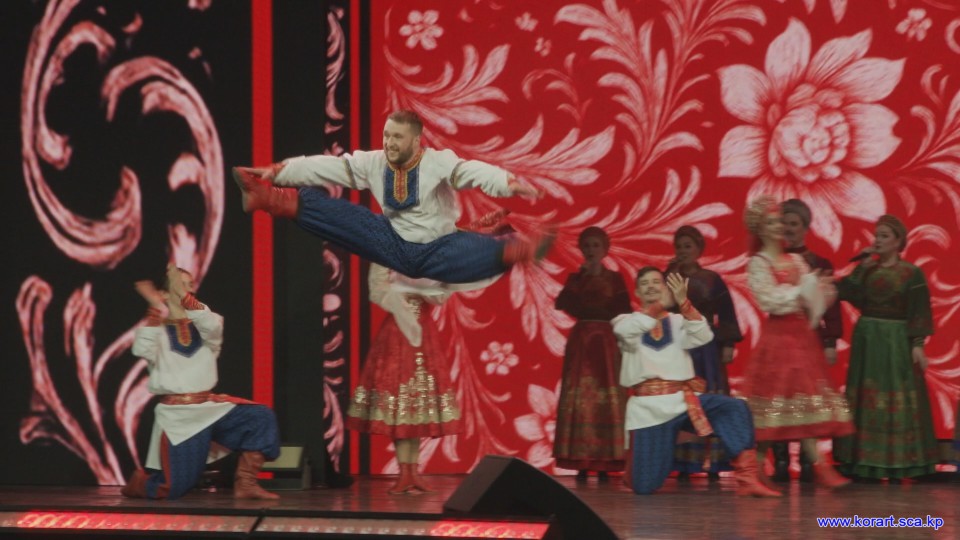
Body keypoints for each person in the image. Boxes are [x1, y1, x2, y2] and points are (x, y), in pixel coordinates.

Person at [232, 109, 553, 285]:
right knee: (346, 217)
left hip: (437, 247)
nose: (389, 142)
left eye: (397, 137)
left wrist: (508, 183)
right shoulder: (373, 162)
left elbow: (470, 171)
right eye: (386, 135)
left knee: (476, 250)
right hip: (391, 241)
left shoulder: (437, 163)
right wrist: (279, 171)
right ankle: (268, 198)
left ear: (416, 141)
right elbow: (330, 168)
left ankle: (520, 250)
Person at [612, 267, 780, 497]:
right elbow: (627, 330)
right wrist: (659, 306)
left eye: (656, 282)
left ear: (665, 288)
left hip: (682, 401)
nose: (651, 286)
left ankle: (747, 478)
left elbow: (703, 336)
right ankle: (636, 470)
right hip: (648, 410)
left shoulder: (678, 321)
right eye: (645, 283)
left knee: (735, 408)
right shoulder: (625, 321)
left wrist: (684, 303)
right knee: (644, 487)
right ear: (637, 292)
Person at [121, 264, 281, 500]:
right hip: (178, 417)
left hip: (209, 408)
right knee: (174, 488)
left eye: (189, 285)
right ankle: (138, 484)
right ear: (164, 294)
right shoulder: (157, 332)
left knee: (260, 417)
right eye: (179, 285)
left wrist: (181, 295)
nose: (186, 289)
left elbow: (210, 325)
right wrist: (156, 307)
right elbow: (141, 349)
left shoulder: (208, 323)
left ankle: (246, 483)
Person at [740, 196, 853, 491]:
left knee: (804, 401)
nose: (778, 226)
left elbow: (811, 296)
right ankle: (756, 469)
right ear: (760, 229)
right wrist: (800, 292)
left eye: (779, 221)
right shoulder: (759, 263)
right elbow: (768, 299)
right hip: (778, 339)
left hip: (802, 338)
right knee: (773, 405)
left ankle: (815, 466)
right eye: (772, 222)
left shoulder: (796, 260)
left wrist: (822, 292)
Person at [833, 215, 938, 482]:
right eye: (876, 235)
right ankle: (862, 461)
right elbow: (845, 293)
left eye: (884, 236)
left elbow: (919, 310)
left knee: (896, 391)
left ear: (898, 241)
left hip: (896, 340)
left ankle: (898, 461)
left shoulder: (911, 273)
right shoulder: (868, 269)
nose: (877, 240)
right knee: (866, 392)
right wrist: (861, 267)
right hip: (868, 338)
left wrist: (918, 345)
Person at [346, 264, 462, 494]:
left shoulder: (430, 257)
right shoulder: (385, 256)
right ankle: (404, 471)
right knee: (400, 401)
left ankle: (413, 471)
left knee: (418, 404)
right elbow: (377, 292)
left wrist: (428, 286)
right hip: (397, 332)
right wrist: (402, 290)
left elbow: (441, 297)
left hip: (424, 334)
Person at [771, 199, 845, 482]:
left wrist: (830, 342)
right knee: (779, 397)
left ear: (805, 228)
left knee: (808, 398)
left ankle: (807, 461)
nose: (788, 229)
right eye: (784, 223)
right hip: (779, 337)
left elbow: (830, 306)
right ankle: (780, 459)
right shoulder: (772, 261)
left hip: (808, 340)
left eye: (794, 224)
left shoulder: (819, 264)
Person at [664, 225, 743, 479]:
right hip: (678, 344)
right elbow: (658, 307)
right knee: (681, 399)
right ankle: (682, 461)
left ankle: (713, 461)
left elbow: (727, 312)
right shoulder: (669, 277)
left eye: (688, 246)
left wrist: (728, 344)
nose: (683, 251)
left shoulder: (711, 279)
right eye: (679, 246)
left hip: (706, 346)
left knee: (708, 398)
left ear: (699, 249)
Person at [553, 227, 631, 479]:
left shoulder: (615, 278)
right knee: (581, 397)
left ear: (605, 249)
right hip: (583, 341)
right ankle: (581, 460)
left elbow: (624, 309)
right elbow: (563, 303)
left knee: (608, 395)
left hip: (606, 341)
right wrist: (580, 278)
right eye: (586, 246)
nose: (591, 250)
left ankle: (607, 460)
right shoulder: (575, 278)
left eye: (595, 245)